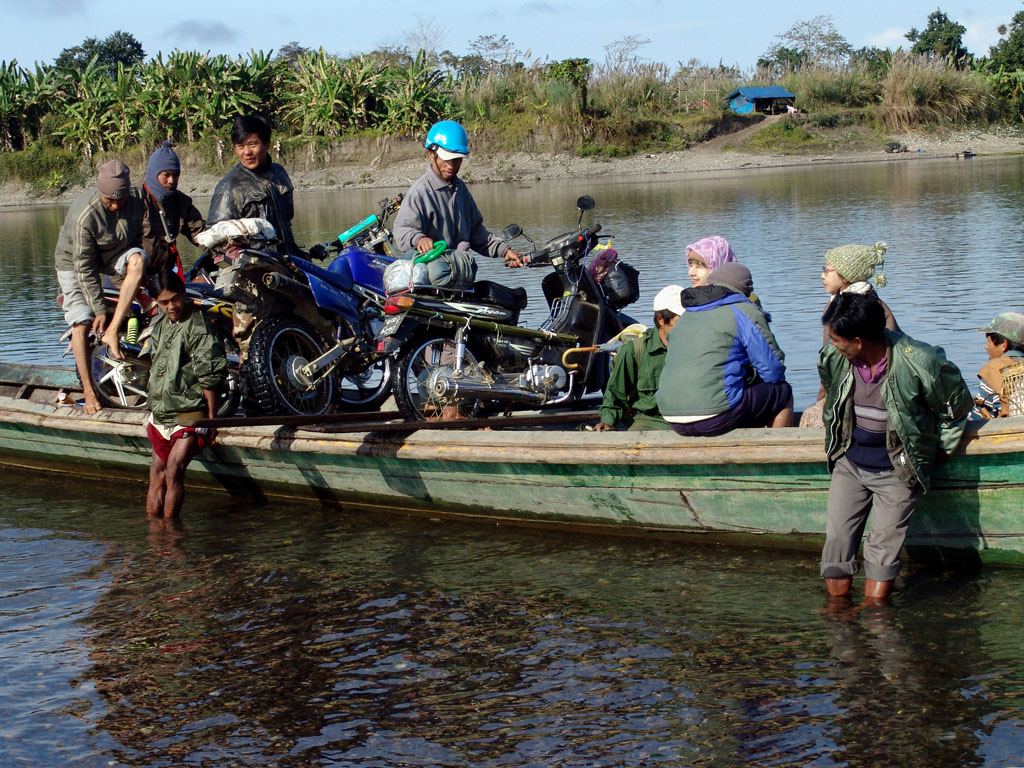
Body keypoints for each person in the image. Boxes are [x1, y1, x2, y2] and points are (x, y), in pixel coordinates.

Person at [818, 292, 973, 602]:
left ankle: (876, 615)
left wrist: (939, 450)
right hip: (850, 462)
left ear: (859, 341)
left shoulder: (920, 362)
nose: (831, 344)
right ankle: (838, 614)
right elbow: (833, 397)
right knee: (837, 541)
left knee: (882, 551)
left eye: (836, 339)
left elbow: (956, 409)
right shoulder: (835, 358)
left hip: (897, 469)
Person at [656, 262, 793, 436]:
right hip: (714, 416)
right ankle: (776, 456)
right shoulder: (744, 310)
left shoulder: (687, 315)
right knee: (782, 391)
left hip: (671, 416)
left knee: (739, 392)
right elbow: (773, 370)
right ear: (747, 288)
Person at [54, 160, 148, 409]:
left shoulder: (137, 197)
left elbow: (138, 238)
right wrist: (97, 309)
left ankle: (113, 330)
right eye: (110, 200)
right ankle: (89, 390)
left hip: (114, 253)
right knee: (82, 322)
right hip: (74, 262)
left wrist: (124, 280)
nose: (116, 205)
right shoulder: (84, 215)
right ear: (100, 192)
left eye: (121, 199)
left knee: (138, 261)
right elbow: (84, 268)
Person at [146, 270, 227, 520]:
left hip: (189, 412)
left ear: (183, 294)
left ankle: (170, 531)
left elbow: (209, 375)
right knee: (156, 474)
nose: (171, 306)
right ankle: (154, 533)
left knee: (174, 471)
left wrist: (211, 421)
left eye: (175, 299)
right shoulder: (160, 325)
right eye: (163, 302)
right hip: (162, 411)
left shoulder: (198, 326)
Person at [393, 120, 524, 267]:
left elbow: (476, 232)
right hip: (433, 275)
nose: (451, 165)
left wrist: (504, 251)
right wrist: (419, 239)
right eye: (446, 159)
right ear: (431, 154)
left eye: (456, 160)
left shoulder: (460, 189)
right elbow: (402, 230)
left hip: (459, 270)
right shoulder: (420, 192)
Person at [595, 284, 683, 432]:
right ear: (661, 320)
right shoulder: (634, 351)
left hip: (689, 420)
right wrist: (607, 421)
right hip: (650, 421)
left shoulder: (695, 347)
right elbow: (615, 394)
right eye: (681, 322)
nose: (688, 327)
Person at [207, 114, 299, 255]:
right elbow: (214, 237)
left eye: (252, 144)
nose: (247, 152)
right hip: (254, 267)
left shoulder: (279, 174)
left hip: (286, 262)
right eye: (240, 146)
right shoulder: (229, 187)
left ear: (267, 143)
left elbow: (286, 223)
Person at [141, 140, 205, 279]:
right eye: (166, 175)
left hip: (163, 278)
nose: (171, 180)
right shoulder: (137, 200)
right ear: (154, 174)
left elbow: (200, 233)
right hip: (134, 276)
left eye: (176, 175)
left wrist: (229, 248)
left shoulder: (181, 202)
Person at [971, 312, 1024, 420]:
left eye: (988, 341)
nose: (986, 347)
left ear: (1004, 345)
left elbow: (976, 420)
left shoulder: (994, 371)